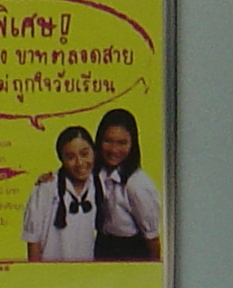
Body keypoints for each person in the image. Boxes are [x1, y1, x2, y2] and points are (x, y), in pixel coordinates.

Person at [92, 108, 163, 262]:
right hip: (103, 245)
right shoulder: (97, 173)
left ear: (133, 144)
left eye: (122, 143)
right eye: (108, 141)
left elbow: (152, 238)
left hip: (129, 250)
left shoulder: (137, 185)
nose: (113, 149)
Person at [22, 126, 101, 263]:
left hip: (87, 273)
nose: (80, 163)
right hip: (51, 274)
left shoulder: (99, 184)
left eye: (84, 154)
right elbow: (33, 238)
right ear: (61, 159)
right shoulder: (47, 188)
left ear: (94, 152)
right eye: (70, 157)